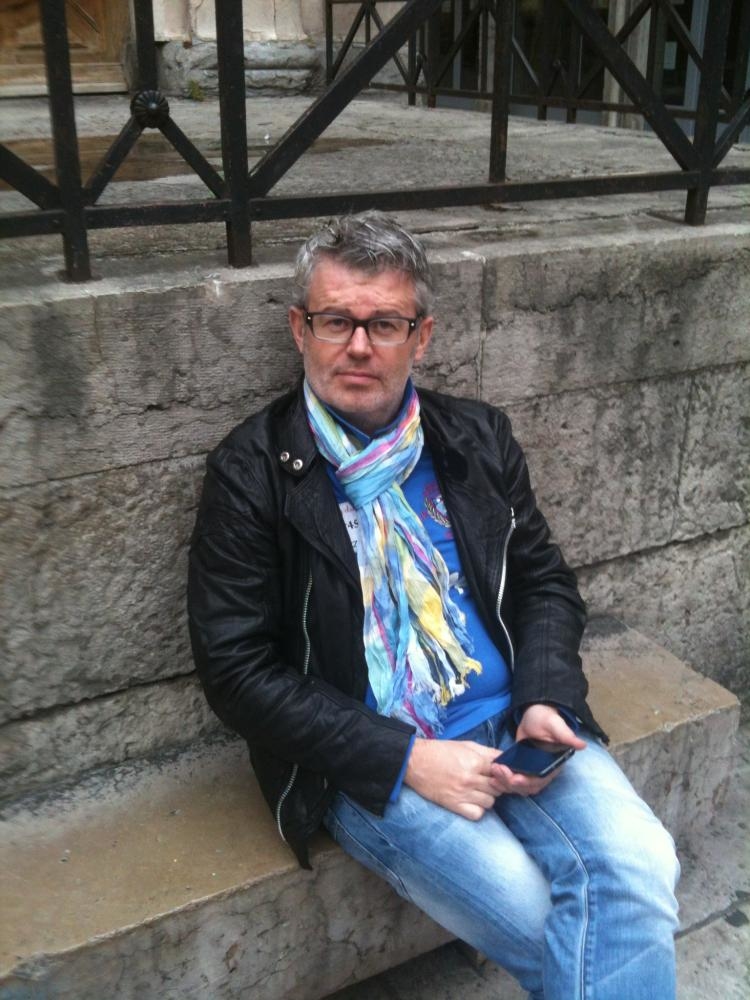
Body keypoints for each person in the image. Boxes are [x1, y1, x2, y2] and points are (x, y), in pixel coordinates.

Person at [187, 212, 680, 1000]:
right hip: (367, 758)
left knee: (642, 866)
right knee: (548, 921)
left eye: (384, 323)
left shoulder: (475, 438)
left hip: (515, 723)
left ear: (421, 337)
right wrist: (407, 758)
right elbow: (236, 671)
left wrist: (548, 695)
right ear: (299, 329)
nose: (358, 346)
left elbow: (544, 583)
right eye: (336, 321)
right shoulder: (252, 472)